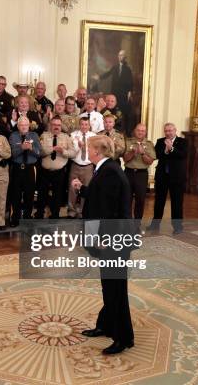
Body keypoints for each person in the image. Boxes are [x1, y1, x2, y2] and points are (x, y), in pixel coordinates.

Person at [71, 135, 135, 355]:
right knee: (108, 284)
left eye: (88, 147)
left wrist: (104, 239)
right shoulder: (106, 168)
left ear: (97, 151)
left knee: (116, 288)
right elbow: (100, 198)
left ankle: (123, 338)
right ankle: (106, 325)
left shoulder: (110, 172)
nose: (86, 151)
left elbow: (110, 212)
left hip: (114, 239)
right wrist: (81, 189)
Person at [149, 123, 187, 234]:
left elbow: (183, 154)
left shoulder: (183, 141)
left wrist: (171, 149)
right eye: (166, 131)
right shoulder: (160, 141)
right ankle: (155, 225)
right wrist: (165, 150)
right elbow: (156, 155)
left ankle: (178, 227)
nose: (168, 133)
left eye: (170, 130)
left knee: (177, 202)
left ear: (175, 130)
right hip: (162, 176)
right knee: (159, 201)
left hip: (177, 177)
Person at [35, 116, 76, 219]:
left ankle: (55, 215)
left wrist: (63, 151)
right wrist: (52, 149)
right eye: (54, 125)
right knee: (42, 194)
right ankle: (39, 214)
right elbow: (39, 152)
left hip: (59, 172)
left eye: (58, 125)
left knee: (57, 195)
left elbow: (73, 153)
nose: (56, 127)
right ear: (50, 125)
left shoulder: (66, 137)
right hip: (45, 171)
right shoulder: (44, 136)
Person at [8, 116, 41, 226]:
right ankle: (15, 218)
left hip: (30, 169)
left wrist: (31, 148)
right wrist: (22, 147)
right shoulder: (13, 136)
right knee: (15, 195)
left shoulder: (34, 135)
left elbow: (38, 153)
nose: (24, 127)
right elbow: (12, 154)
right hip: (17, 168)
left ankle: (27, 218)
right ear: (18, 126)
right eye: (21, 125)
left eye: (26, 125)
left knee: (29, 195)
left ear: (29, 126)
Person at [93, 50, 134, 134]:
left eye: (122, 55)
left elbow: (130, 81)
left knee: (122, 114)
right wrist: (99, 77)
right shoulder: (115, 67)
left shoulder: (128, 69)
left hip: (123, 95)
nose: (120, 57)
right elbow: (108, 73)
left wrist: (129, 92)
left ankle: (125, 132)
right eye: (119, 55)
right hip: (114, 93)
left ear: (125, 57)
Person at [123, 123, 156, 220]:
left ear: (145, 132)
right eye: (138, 130)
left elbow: (150, 161)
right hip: (128, 173)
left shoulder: (149, 144)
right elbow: (125, 159)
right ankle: (127, 223)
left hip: (141, 174)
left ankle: (137, 223)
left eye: (142, 131)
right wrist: (133, 152)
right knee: (126, 199)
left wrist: (142, 154)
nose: (140, 132)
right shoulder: (128, 142)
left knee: (140, 200)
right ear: (134, 131)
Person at [67, 117, 96, 218]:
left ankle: (83, 211)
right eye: (82, 124)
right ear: (79, 125)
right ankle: (71, 211)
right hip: (75, 165)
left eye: (86, 124)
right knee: (72, 189)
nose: (84, 126)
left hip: (88, 167)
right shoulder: (73, 135)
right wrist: (78, 147)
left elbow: (95, 152)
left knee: (86, 189)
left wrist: (86, 146)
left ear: (89, 125)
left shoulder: (94, 136)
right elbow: (71, 152)